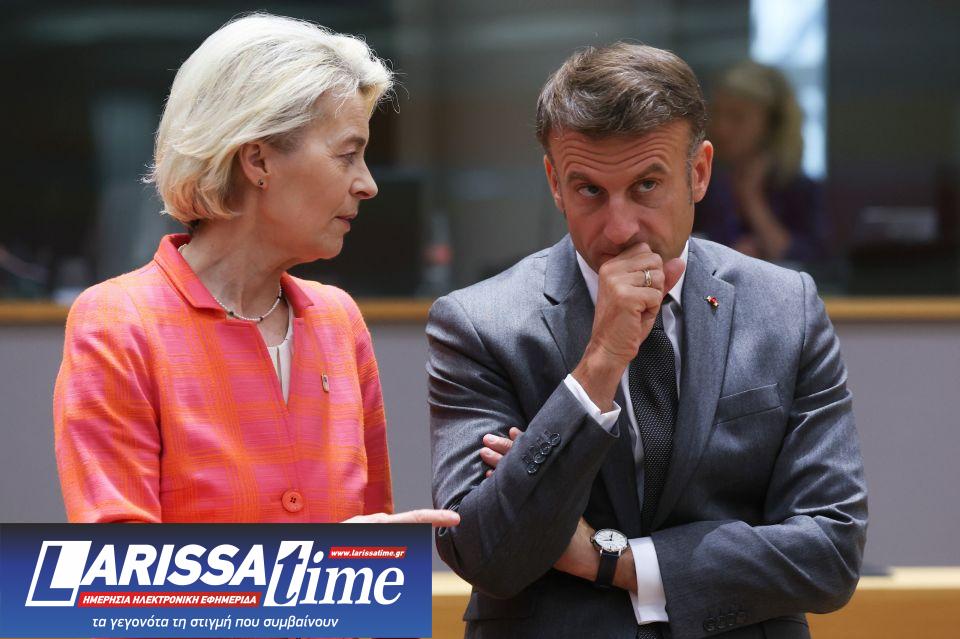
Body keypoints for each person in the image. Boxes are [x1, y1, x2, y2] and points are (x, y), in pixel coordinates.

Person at [428, 43, 865, 639]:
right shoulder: (479, 322)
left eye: (646, 185)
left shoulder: (786, 307)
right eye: (589, 190)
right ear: (555, 183)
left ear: (698, 173)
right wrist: (599, 365)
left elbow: (831, 552)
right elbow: (485, 554)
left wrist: (611, 562)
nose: (619, 228)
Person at [54, 13, 457, 529]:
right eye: (347, 155)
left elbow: (371, 554)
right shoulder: (118, 323)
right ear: (258, 161)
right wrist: (316, 566)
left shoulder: (339, 322)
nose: (368, 184)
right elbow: (118, 573)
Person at [694, 60, 824, 264]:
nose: (722, 128)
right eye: (717, 113)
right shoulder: (700, 181)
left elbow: (811, 263)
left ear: (770, 126)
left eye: (737, 117)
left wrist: (752, 200)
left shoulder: (799, 188)